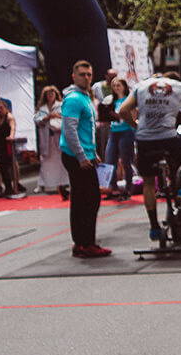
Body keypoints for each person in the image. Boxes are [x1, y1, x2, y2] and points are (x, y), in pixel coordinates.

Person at [118, 71, 181, 245]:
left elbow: (123, 110)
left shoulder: (140, 87)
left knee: (148, 182)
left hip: (145, 140)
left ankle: (154, 226)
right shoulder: (180, 86)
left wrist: (136, 125)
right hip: (168, 137)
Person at [59, 61, 111, 258]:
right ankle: (84, 243)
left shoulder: (84, 97)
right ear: (74, 76)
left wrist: (92, 153)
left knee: (86, 199)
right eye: (82, 74)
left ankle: (84, 241)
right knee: (87, 200)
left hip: (84, 154)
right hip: (75, 156)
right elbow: (70, 130)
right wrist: (82, 156)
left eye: (89, 74)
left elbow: (86, 130)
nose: (86, 78)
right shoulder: (73, 99)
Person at [33, 85, 69, 200]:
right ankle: (45, 184)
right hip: (47, 138)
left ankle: (64, 182)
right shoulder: (42, 108)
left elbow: (66, 119)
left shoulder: (61, 105)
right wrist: (48, 117)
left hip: (58, 136)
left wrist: (56, 118)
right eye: (48, 94)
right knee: (46, 161)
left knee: (61, 161)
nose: (50, 96)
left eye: (52, 94)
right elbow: (37, 120)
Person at [103, 78, 135, 200]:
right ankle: (113, 188)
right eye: (114, 85)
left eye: (119, 85)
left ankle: (128, 188)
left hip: (126, 131)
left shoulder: (129, 99)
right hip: (113, 132)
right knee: (110, 161)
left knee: (126, 161)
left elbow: (133, 115)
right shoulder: (111, 100)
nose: (116, 87)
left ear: (124, 86)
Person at [0, 102, 23, 199]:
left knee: (12, 165)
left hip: (8, 145)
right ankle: (8, 187)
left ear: (6, 108)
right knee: (2, 168)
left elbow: (13, 127)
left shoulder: (9, 117)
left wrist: (11, 136)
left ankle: (16, 185)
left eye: (1, 108)